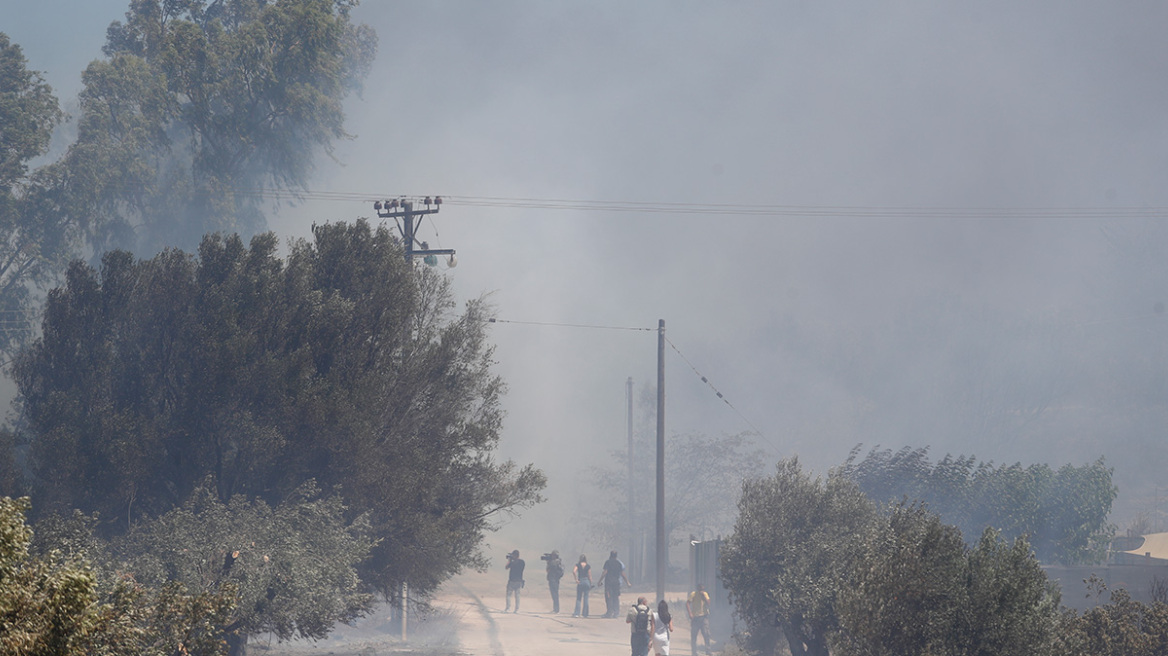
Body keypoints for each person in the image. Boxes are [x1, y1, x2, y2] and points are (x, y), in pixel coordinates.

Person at [601, 550, 631, 617]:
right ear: (616, 556)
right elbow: (622, 574)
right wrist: (627, 582)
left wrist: (600, 580)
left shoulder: (607, 562)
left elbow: (605, 572)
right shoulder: (619, 563)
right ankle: (616, 613)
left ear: (610, 555)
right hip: (616, 583)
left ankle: (609, 613)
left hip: (609, 583)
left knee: (609, 597)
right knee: (615, 597)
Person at [687, 583, 712, 654]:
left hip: (704, 617)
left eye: (702, 589)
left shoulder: (705, 594)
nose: (701, 590)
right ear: (697, 588)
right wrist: (690, 613)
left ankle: (708, 650)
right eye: (700, 589)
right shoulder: (693, 594)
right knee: (694, 636)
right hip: (695, 618)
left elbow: (708, 603)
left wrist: (704, 596)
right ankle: (694, 652)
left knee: (706, 634)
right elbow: (688, 603)